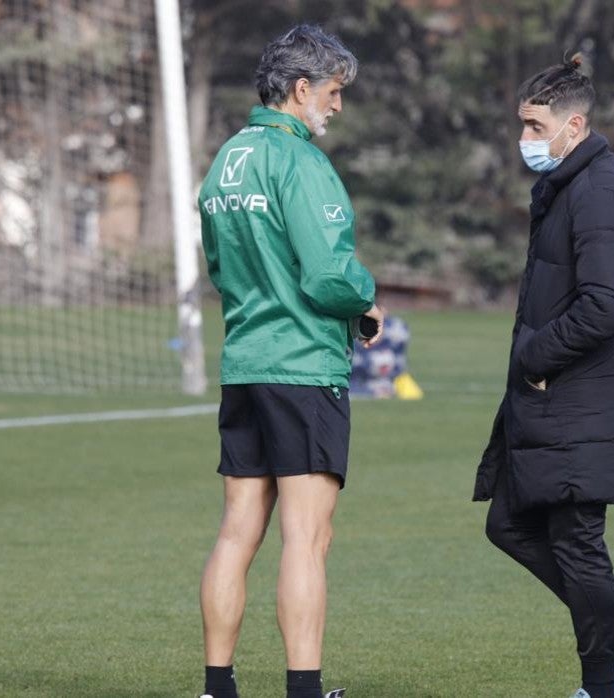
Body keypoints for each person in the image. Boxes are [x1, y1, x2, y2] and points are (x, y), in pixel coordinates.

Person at [473, 52, 614, 698]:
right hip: (556, 403)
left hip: (580, 399)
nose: (524, 141)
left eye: (534, 127)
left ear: (574, 126)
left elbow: (607, 303)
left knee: (577, 542)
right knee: (508, 523)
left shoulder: (601, 189)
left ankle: (603, 683)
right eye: (523, 127)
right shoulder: (567, 186)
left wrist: (535, 358)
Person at [195, 24, 383, 698]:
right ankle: (304, 691)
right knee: (307, 538)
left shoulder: (226, 161)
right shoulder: (300, 163)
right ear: (301, 89)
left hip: (244, 361)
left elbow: (219, 265)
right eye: (333, 93)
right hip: (302, 366)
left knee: (237, 531)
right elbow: (329, 275)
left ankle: (218, 687)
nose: (336, 106)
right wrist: (367, 304)